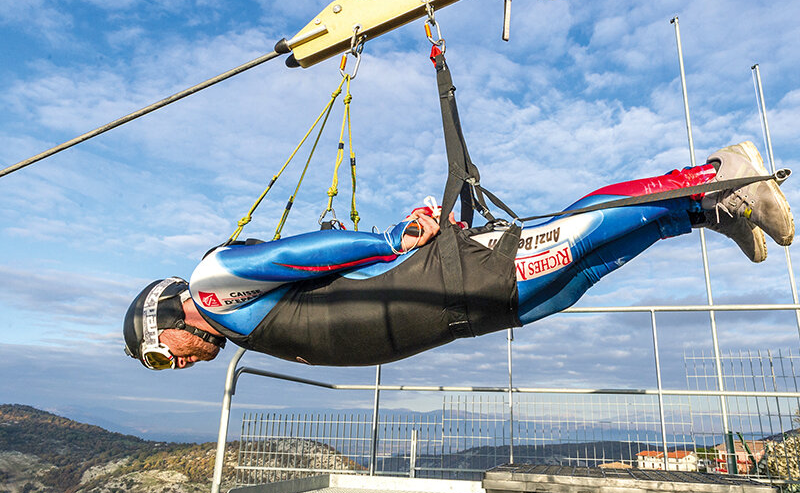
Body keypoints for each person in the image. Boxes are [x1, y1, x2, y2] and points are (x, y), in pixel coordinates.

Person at [123, 141, 793, 370]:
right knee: (587, 267)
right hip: (466, 311)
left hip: (450, 277)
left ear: (169, 314)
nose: (174, 363)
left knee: (576, 235)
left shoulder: (212, 285)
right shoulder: (237, 328)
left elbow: (296, 256)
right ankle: (708, 210)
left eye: (161, 353)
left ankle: (715, 171)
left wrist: (390, 240)